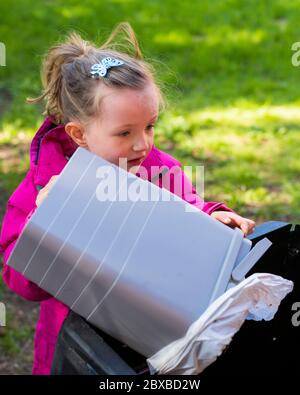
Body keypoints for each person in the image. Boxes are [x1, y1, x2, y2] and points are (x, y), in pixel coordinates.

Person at [0, 22, 255, 375]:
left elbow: (188, 207)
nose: (142, 144)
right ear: (79, 134)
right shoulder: (48, 187)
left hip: (146, 333)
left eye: (149, 126)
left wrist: (212, 217)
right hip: (80, 345)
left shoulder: (157, 169)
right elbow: (21, 282)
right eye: (125, 133)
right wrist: (44, 224)